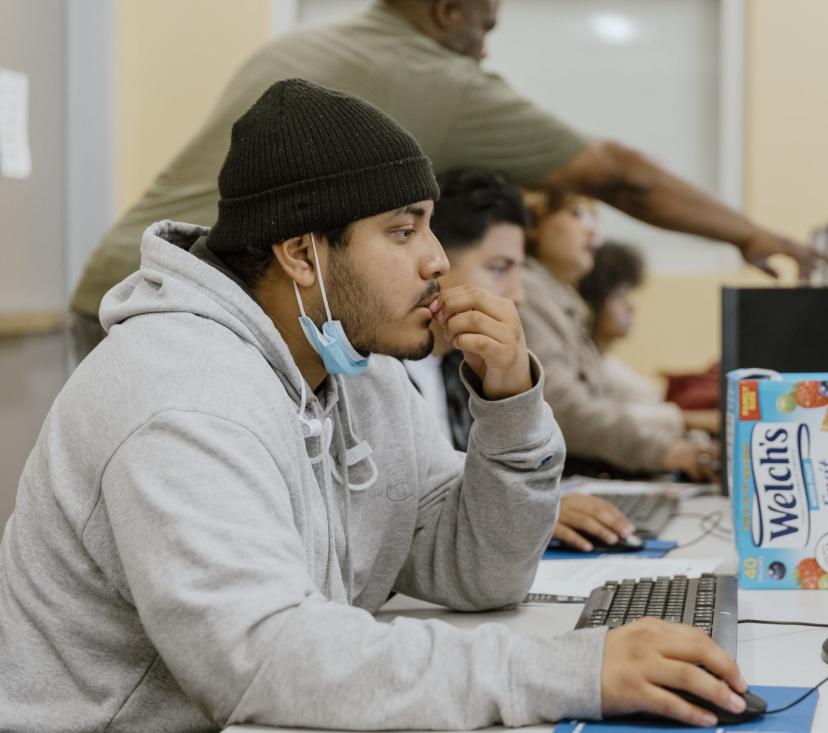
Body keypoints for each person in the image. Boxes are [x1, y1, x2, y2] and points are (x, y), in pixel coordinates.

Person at [0, 80, 751, 731]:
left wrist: (510, 401)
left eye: (428, 222)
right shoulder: (180, 398)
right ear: (302, 254)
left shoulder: (355, 369)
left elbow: (477, 569)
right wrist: (566, 669)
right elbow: (262, 660)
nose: (436, 259)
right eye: (402, 229)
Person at [68, 0, 824, 361]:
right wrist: (749, 233)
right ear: (447, 11)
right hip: (195, 304)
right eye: (486, 29)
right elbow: (620, 176)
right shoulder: (438, 79)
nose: (484, 56)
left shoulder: (325, 39)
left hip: (139, 273)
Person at [404, 167, 637, 551]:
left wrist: (528, 506)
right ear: (435, 262)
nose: (517, 295)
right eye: (499, 269)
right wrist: (531, 510)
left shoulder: (458, 370)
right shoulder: (380, 377)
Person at [518, 191, 719, 482]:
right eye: (576, 214)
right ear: (534, 223)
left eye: (592, 219)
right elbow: (563, 411)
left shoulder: (560, 299)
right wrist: (667, 451)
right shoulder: (527, 292)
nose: (591, 228)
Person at [578, 240, 720, 436]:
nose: (630, 306)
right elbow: (611, 415)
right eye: (619, 295)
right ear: (592, 301)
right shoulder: (585, 369)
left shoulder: (608, 364)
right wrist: (693, 420)